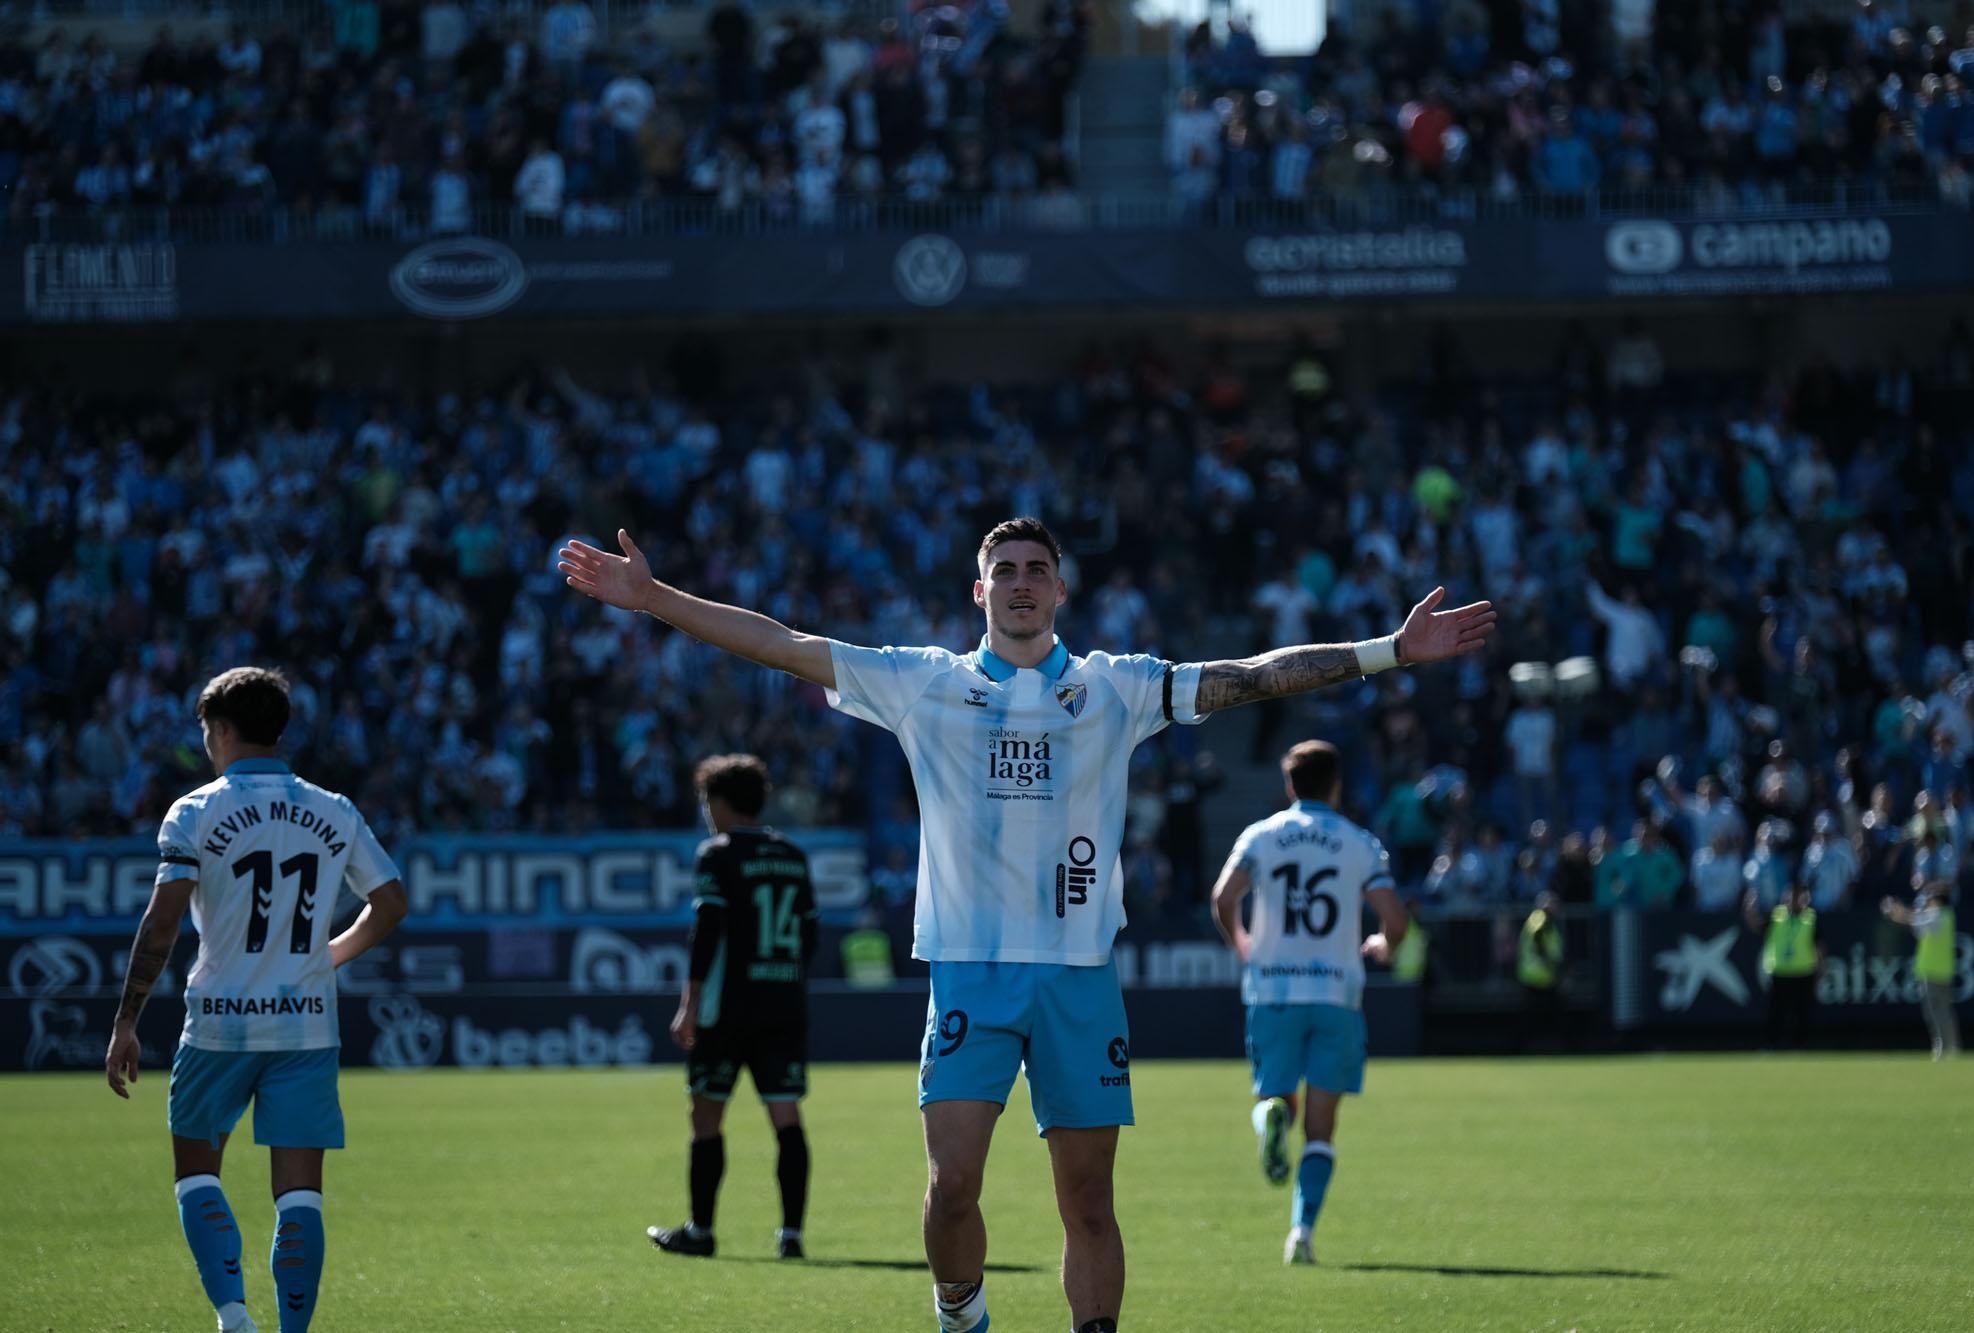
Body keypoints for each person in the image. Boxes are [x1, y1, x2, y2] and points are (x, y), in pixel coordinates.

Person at [559, 516, 1494, 1333]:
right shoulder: (920, 682)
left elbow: (1249, 675)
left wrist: (1390, 651)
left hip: (1077, 977)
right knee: (952, 1186)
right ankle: (962, 1311)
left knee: (1087, 1196)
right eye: (1002, 571)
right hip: (969, 971)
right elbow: (779, 642)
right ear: (978, 590)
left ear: (1060, 588)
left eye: (1035, 569)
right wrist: (656, 600)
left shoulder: (1114, 686)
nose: (1019, 584)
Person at [103, 667, 407, 1333]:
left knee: (197, 1174)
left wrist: (127, 1018)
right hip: (305, 1026)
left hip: (219, 1025)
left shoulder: (194, 810)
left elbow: (162, 924)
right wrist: (330, 954)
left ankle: (235, 1319)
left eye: (208, 730)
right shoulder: (334, 808)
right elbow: (391, 902)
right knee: (299, 1194)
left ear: (223, 729)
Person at [1209, 740, 1407, 1266]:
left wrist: (1242, 943)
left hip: (1273, 989)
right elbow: (1396, 918)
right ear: (1336, 785)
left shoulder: (1262, 836)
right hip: (1335, 994)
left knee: (1275, 1096)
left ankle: (1272, 1114)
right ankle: (1302, 1233)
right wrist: (1385, 945)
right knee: (1321, 1127)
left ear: (1290, 785)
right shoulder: (1359, 843)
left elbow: (1224, 898)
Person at [651, 753, 819, 1260]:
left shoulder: (717, 854)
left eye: (707, 800)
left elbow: (708, 930)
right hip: (782, 1006)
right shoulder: (792, 855)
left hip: (727, 1010)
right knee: (786, 1117)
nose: (706, 811)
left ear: (720, 802)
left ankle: (701, 1232)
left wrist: (690, 1003)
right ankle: (791, 1236)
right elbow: (810, 933)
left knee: (706, 1117)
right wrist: (786, 982)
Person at [1882, 882, 1960, 1059]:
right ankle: (1951, 1046)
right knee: (1944, 1012)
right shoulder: (1946, 915)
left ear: (1937, 900)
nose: (1927, 901)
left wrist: (1897, 910)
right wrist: (1899, 914)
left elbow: (1916, 920)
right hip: (1942, 971)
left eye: (1930, 898)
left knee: (1935, 1013)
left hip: (1933, 971)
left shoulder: (1939, 915)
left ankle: (1942, 1047)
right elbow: (1916, 923)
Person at [1743, 881, 1819, 1049]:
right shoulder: (1776, 916)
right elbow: (1755, 925)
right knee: (1775, 1012)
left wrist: (1820, 970)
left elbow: (1819, 948)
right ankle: (1772, 1044)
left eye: (1797, 896)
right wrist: (1749, 908)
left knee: (1802, 1014)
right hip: (1780, 973)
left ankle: (1801, 1045)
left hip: (1803, 972)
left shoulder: (1811, 918)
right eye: (1790, 895)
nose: (1793, 900)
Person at [1516, 891, 1565, 1051]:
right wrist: (1548, 961)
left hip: (1541, 975)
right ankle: (1534, 1046)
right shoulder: (1540, 918)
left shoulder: (1545, 919)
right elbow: (1538, 936)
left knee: (1541, 1015)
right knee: (1538, 1016)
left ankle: (1539, 1045)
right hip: (1538, 975)